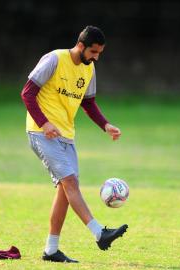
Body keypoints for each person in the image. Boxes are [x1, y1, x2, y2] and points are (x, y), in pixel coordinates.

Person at [21, 26, 128, 263]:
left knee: (65, 190)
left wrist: (105, 125)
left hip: (66, 135)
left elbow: (88, 103)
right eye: (93, 51)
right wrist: (44, 123)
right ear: (81, 45)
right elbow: (27, 93)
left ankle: (51, 250)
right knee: (69, 182)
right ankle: (100, 233)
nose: (96, 57)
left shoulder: (89, 69)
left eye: (99, 53)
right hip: (41, 133)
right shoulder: (54, 59)